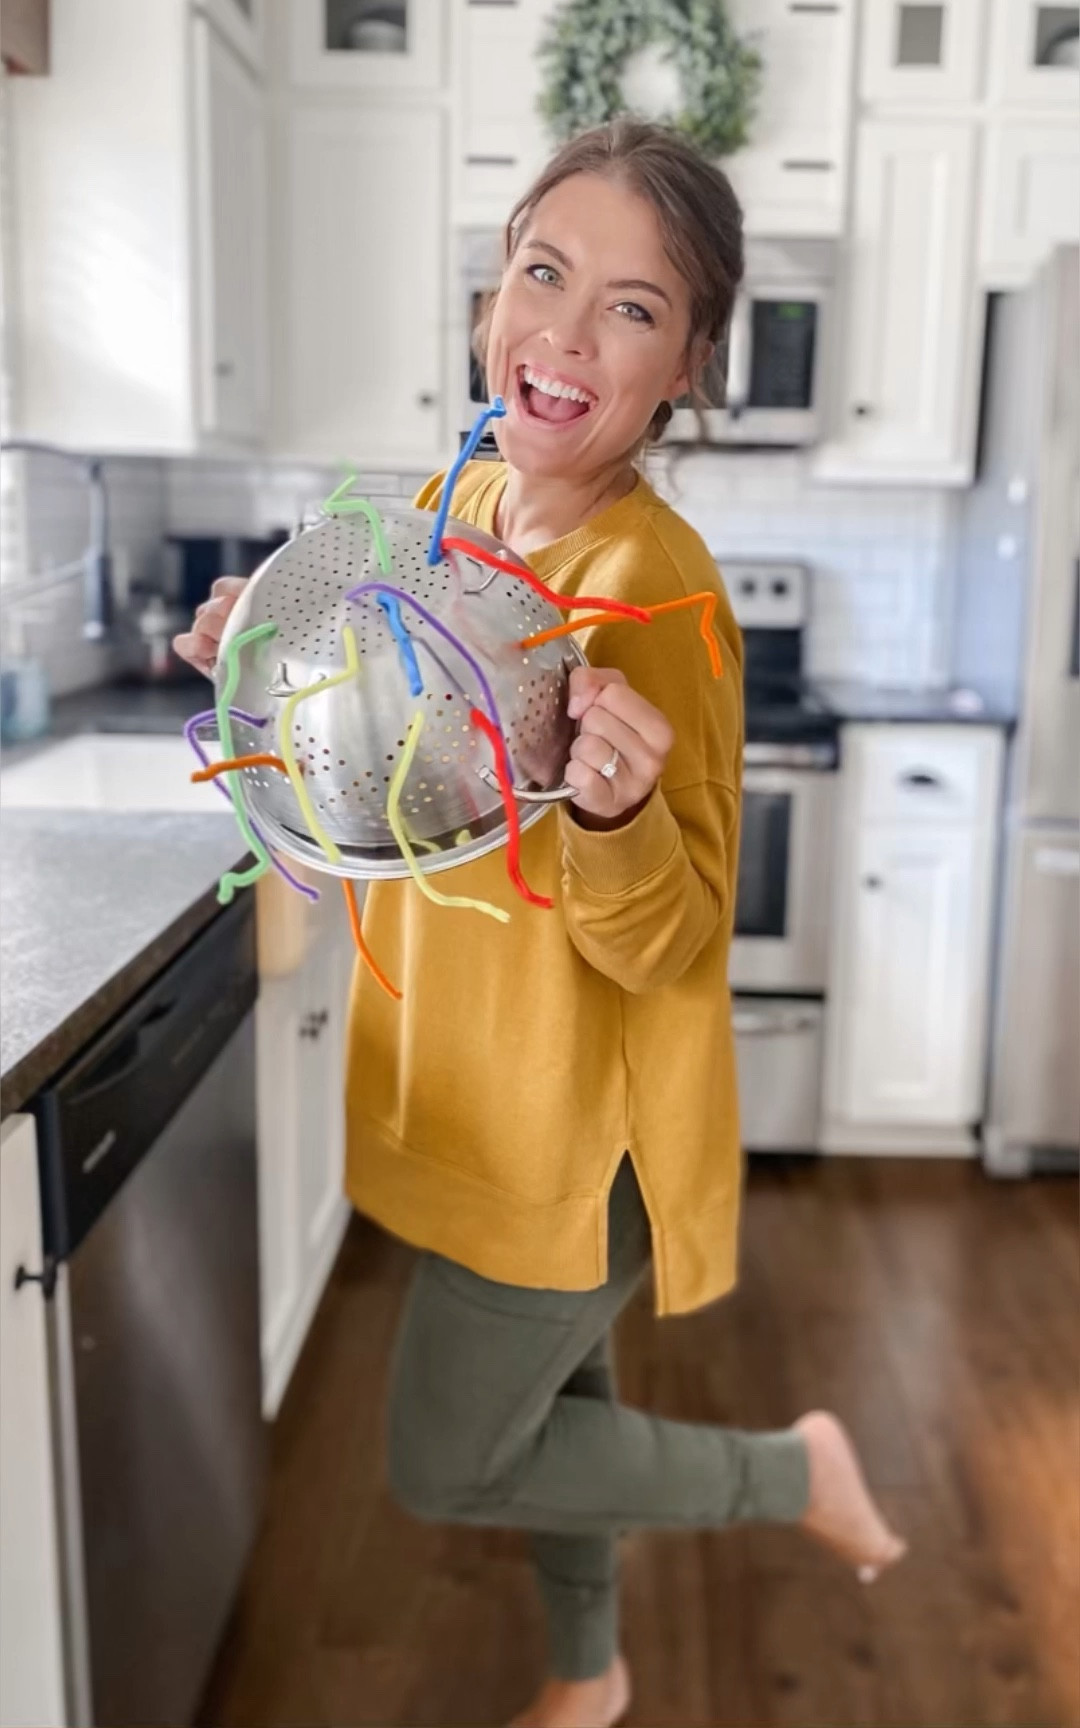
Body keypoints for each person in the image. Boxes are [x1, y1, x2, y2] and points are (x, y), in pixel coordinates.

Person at [176, 119, 904, 1728]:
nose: (567, 333)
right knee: (564, 1401)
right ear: (493, 289)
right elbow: (385, 753)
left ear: (688, 364)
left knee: (450, 1460)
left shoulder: (661, 593)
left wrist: (622, 814)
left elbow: (676, 941)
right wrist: (266, 660)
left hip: (576, 1139)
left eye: (634, 309)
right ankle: (597, 1671)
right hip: (464, 1085)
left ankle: (793, 1471)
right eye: (544, 273)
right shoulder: (462, 494)